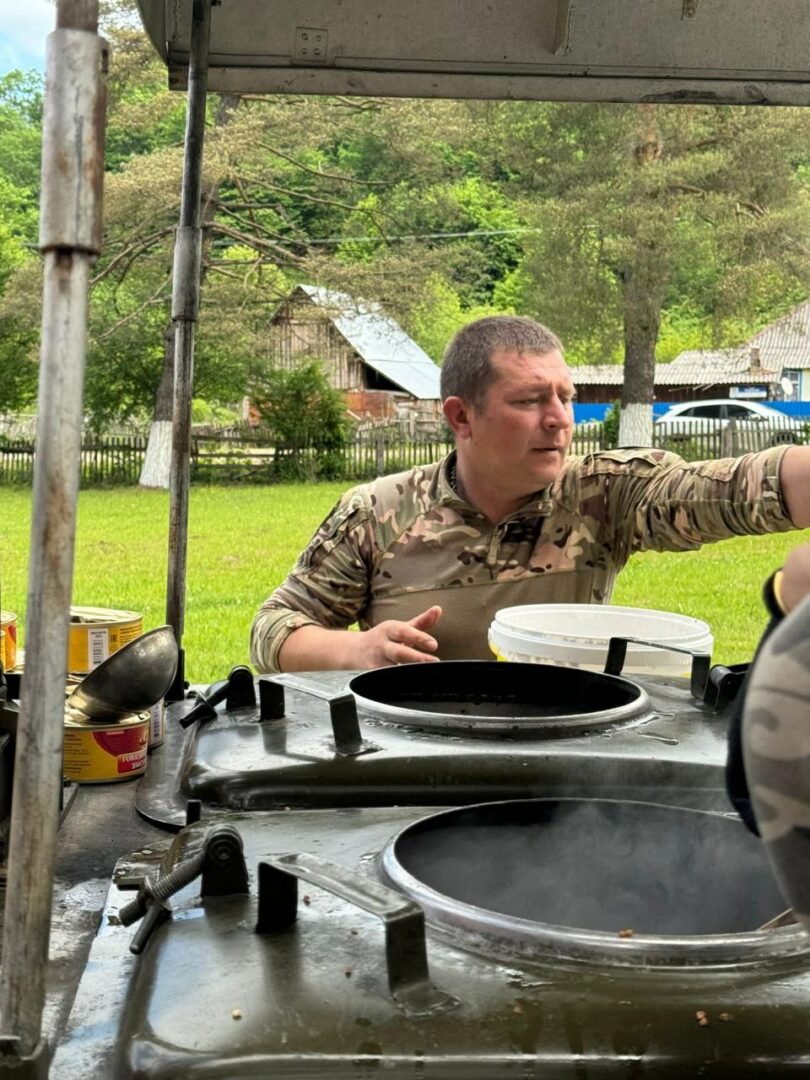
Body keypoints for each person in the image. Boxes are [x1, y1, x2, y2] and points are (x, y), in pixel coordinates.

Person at [250, 315, 810, 674]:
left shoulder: (603, 494)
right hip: (410, 769)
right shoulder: (378, 512)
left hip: (568, 768)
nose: (560, 421)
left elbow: (741, 487)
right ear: (461, 416)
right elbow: (274, 629)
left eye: (566, 397)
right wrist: (358, 651)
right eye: (531, 400)